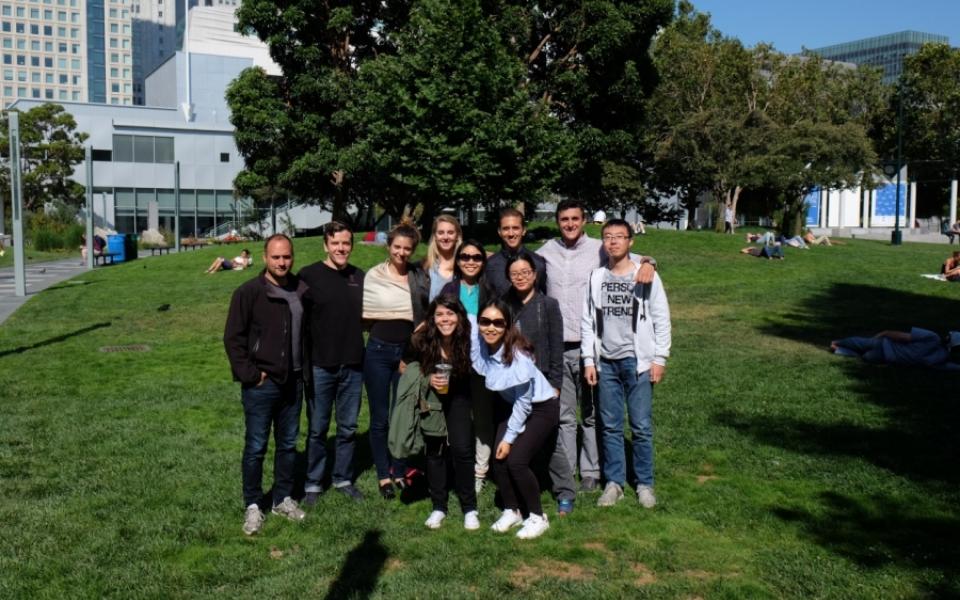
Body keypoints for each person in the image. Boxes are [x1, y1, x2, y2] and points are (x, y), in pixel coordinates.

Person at [536, 199, 656, 493]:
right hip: (556, 346)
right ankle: (566, 470)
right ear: (557, 221)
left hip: (591, 346)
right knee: (563, 415)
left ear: (584, 220)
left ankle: (591, 470)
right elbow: (518, 264)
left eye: (575, 218)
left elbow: (635, 258)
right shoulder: (545, 252)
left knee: (591, 413)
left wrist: (650, 264)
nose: (570, 224)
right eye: (564, 219)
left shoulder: (599, 248)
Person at [581, 219, 672, 509]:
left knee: (641, 426)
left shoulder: (644, 275)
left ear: (631, 242)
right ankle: (614, 483)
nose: (613, 242)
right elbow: (587, 322)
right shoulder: (596, 277)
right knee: (609, 426)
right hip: (605, 362)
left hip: (637, 363)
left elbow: (661, 317)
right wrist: (588, 360)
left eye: (619, 237)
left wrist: (659, 358)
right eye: (607, 237)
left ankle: (644, 484)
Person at [223, 234, 308, 535]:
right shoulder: (249, 292)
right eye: (276, 257)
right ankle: (253, 505)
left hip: (293, 382)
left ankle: (282, 499)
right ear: (265, 258)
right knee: (256, 446)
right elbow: (233, 338)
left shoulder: (300, 289)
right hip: (262, 384)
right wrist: (250, 375)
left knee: (287, 445)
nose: (282, 262)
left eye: (286, 257)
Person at [471, 299, 559, 540]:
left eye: (498, 323)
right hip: (514, 407)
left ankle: (538, 517)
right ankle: (512, 510)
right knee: (498, 461)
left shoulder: (518, 357)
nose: (490, 328)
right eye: (485, 322)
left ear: (508, 326)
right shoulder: (482, 346)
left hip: (541, 409)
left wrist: (509, 439)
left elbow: (524, 402)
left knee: (516, 461)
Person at [298, 222, 367, 505]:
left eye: (346, 243)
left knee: (348, 427)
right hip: (320, 365)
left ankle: (343, 478)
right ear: (326, 245)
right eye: (336, 243)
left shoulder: (359, 276)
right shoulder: (308, 276)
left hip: (353, 363)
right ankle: (313, 484)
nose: (341, 248)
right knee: (317, 429)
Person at [362, 220, 431, 499]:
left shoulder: (418, 276)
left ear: (413, 250)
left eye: (407, 249)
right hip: (377, 351)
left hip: (407, 353)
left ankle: (400, 468)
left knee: (402, 414)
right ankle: (383, 475)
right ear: (388, 246)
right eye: (397, 247)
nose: (401, 253)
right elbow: (366, 314)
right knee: (379, 417)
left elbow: (427, 311)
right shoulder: (374, 275)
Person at [503, 250, 571, 515]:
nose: (520, 277)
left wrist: (555, 383)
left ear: (535, 275)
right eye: (514, 274)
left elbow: (556, 347)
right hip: (514, 388)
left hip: (543, 386)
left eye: (525, 273)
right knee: (518, 439)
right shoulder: (504, 305)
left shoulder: (548, 305)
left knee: (550, 442)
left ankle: (564, 490)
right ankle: (517, 494)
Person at [407, 296, 479, 530]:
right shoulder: (422, 340)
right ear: (432, 318)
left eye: (450, 314)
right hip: (432, 399)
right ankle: (439, 506)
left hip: (459, 398)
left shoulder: (469, 339)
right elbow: (404, 368)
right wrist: (427, 379)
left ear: (459, 317)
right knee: (435, 450)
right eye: (439, 314)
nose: (445, 319)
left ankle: (469, 508)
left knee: (462, 449)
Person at [439, 239, 497, 490]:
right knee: (457, 416)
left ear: (483, 262)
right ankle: (458, 465)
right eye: (465, 257)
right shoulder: (449, 290)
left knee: (483, 419)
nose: (470, 262)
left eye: (476, 257)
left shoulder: (490, 291)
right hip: (456, 364)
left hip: (484, 365)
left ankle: (480, 471)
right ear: (458, 260)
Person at [485, 207, 547, 298]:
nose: (511, 234)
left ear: (524, 230)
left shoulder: (538, 263)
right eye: (506, 228)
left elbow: (543, 297)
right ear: (499, 232)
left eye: (515, 228)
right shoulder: (490, 265)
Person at [831, 329, 960, 369]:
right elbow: (951, 367)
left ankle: (837, 343)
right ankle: (839, 350)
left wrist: (884, 333)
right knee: (863, 356)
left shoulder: (933, 337)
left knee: (861, 343)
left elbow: (902, 337)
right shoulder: (942, 358)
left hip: (885, 346)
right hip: (886, 359)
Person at [422, 215, 462, 301]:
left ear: (457, 236)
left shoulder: (466, 266)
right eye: (441, 233)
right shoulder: (423, 268)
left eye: (450, 232)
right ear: (435, 236)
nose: (446, 237)